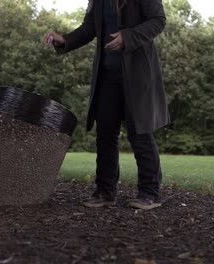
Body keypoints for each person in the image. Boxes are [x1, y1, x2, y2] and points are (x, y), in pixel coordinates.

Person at [44, 0, 170, 210]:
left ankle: (149, 193)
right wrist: (64, 39)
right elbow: (89, 28)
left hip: (138, 76)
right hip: (107, 75)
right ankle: (105, 191)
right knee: (105, 134)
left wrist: (127, 37)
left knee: (140, 134)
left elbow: (158, 21)